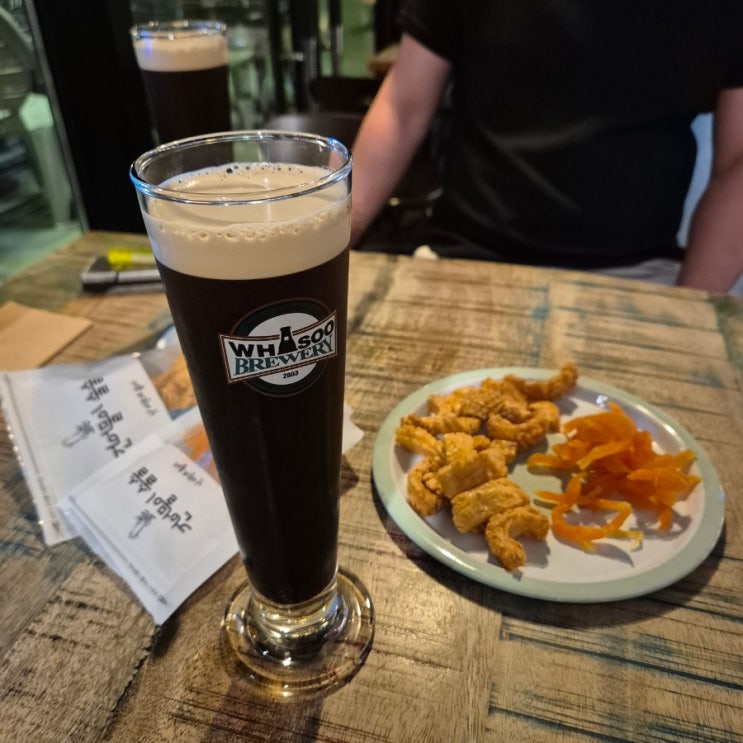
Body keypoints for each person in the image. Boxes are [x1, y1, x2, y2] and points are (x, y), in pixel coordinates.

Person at [350, 1, 743, 294]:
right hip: (465, 254)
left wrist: (695, 305)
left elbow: (737, 165)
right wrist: (333, 240)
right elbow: (402, 109)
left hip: (639, 269)